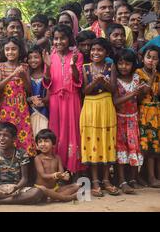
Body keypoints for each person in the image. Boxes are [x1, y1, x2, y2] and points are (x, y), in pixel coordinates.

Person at [80, 38, 119, 197]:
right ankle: (95, 182)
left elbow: (113, 89)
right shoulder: (85, 68)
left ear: (106, 52)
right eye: (93, 50)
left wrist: (103, 81)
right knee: (92, 143)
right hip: (90, 107)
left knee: (106, 142)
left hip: (106, 106)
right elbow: (85, 91)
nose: (96, 52)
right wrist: (96, 81)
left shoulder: (111, 66)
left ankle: (106, 180)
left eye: (100, 50)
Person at [43, 25, 83, 174]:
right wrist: (46, 67)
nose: (59, 42)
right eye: (56, 38)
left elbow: (78, 81)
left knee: (73, 131)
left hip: (72, 98)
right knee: (56, 133)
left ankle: (74, 169)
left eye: (62, 38)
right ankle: (58, 170)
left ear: (69, 39)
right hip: (55, 100)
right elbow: (47, 83)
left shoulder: (77, 55)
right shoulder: (50, 56)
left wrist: (73, 65)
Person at [0, 123, 44, 206]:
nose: (1, 139)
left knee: (37, 192)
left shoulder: (21, 153)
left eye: (5, 136)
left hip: (16, 188)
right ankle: (12, 199)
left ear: (14, 138)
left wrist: (16, 187)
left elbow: (25, 179)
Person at [0, 37, 36, 157]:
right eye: (7, 49)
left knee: (24, 138)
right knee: (7, 137)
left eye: (14, 49)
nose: (10, 52)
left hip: (22, 109)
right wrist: (13, 74)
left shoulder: (24, 66)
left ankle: (25, 168)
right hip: (7, 109)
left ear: (19, 50)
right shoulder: (1, 66)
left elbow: (29, 89)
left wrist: (23, 75)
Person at [112, 49, 144, 193]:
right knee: (121, 150)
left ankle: (132, 179)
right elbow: (116, 101)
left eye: (127, 63)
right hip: (120, 119)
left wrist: (141, 92)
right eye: (120, 63)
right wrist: (132, 94)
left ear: (133, 64)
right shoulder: (116, 80)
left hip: (133, 118)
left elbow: (140, 99)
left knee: (134, 149)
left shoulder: (136, 78)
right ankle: (121, 180)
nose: (123, 66)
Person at [136, 45, 160, 188]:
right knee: (149, 147)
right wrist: (151, 76)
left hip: (157, 113)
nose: (151, 61)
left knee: (157, 146)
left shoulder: (159, 75)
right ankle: (150, 177)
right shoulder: (138, 73)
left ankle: (154, 175)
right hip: (145, 113)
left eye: (155, 58)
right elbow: (142, 95)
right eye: (148, 57)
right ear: (143, 58)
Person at [34, 129, 80, 202]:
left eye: (46, 141)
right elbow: (43, 175)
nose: (42, 144)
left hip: (55, 188)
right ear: (37, 145)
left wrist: (64, 176)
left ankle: (53, 197)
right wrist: (54, 175)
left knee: (76, 186)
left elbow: (61, 173)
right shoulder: (38, 158)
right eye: (40, 142)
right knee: (43, 189)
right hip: (41, 189)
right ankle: (68, 198)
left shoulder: (57, 158)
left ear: (53, 144)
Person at [27, 46, 49, 137]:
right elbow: (24, 95)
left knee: (42, 135)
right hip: (30, 112)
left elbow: (49, 96)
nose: (33, 60)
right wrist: (30, 99)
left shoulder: (46, 75)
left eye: (36, 57)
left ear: (42, 58)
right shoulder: (27, 75)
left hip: (44, 111)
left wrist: (42, 101)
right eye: (30, 58)